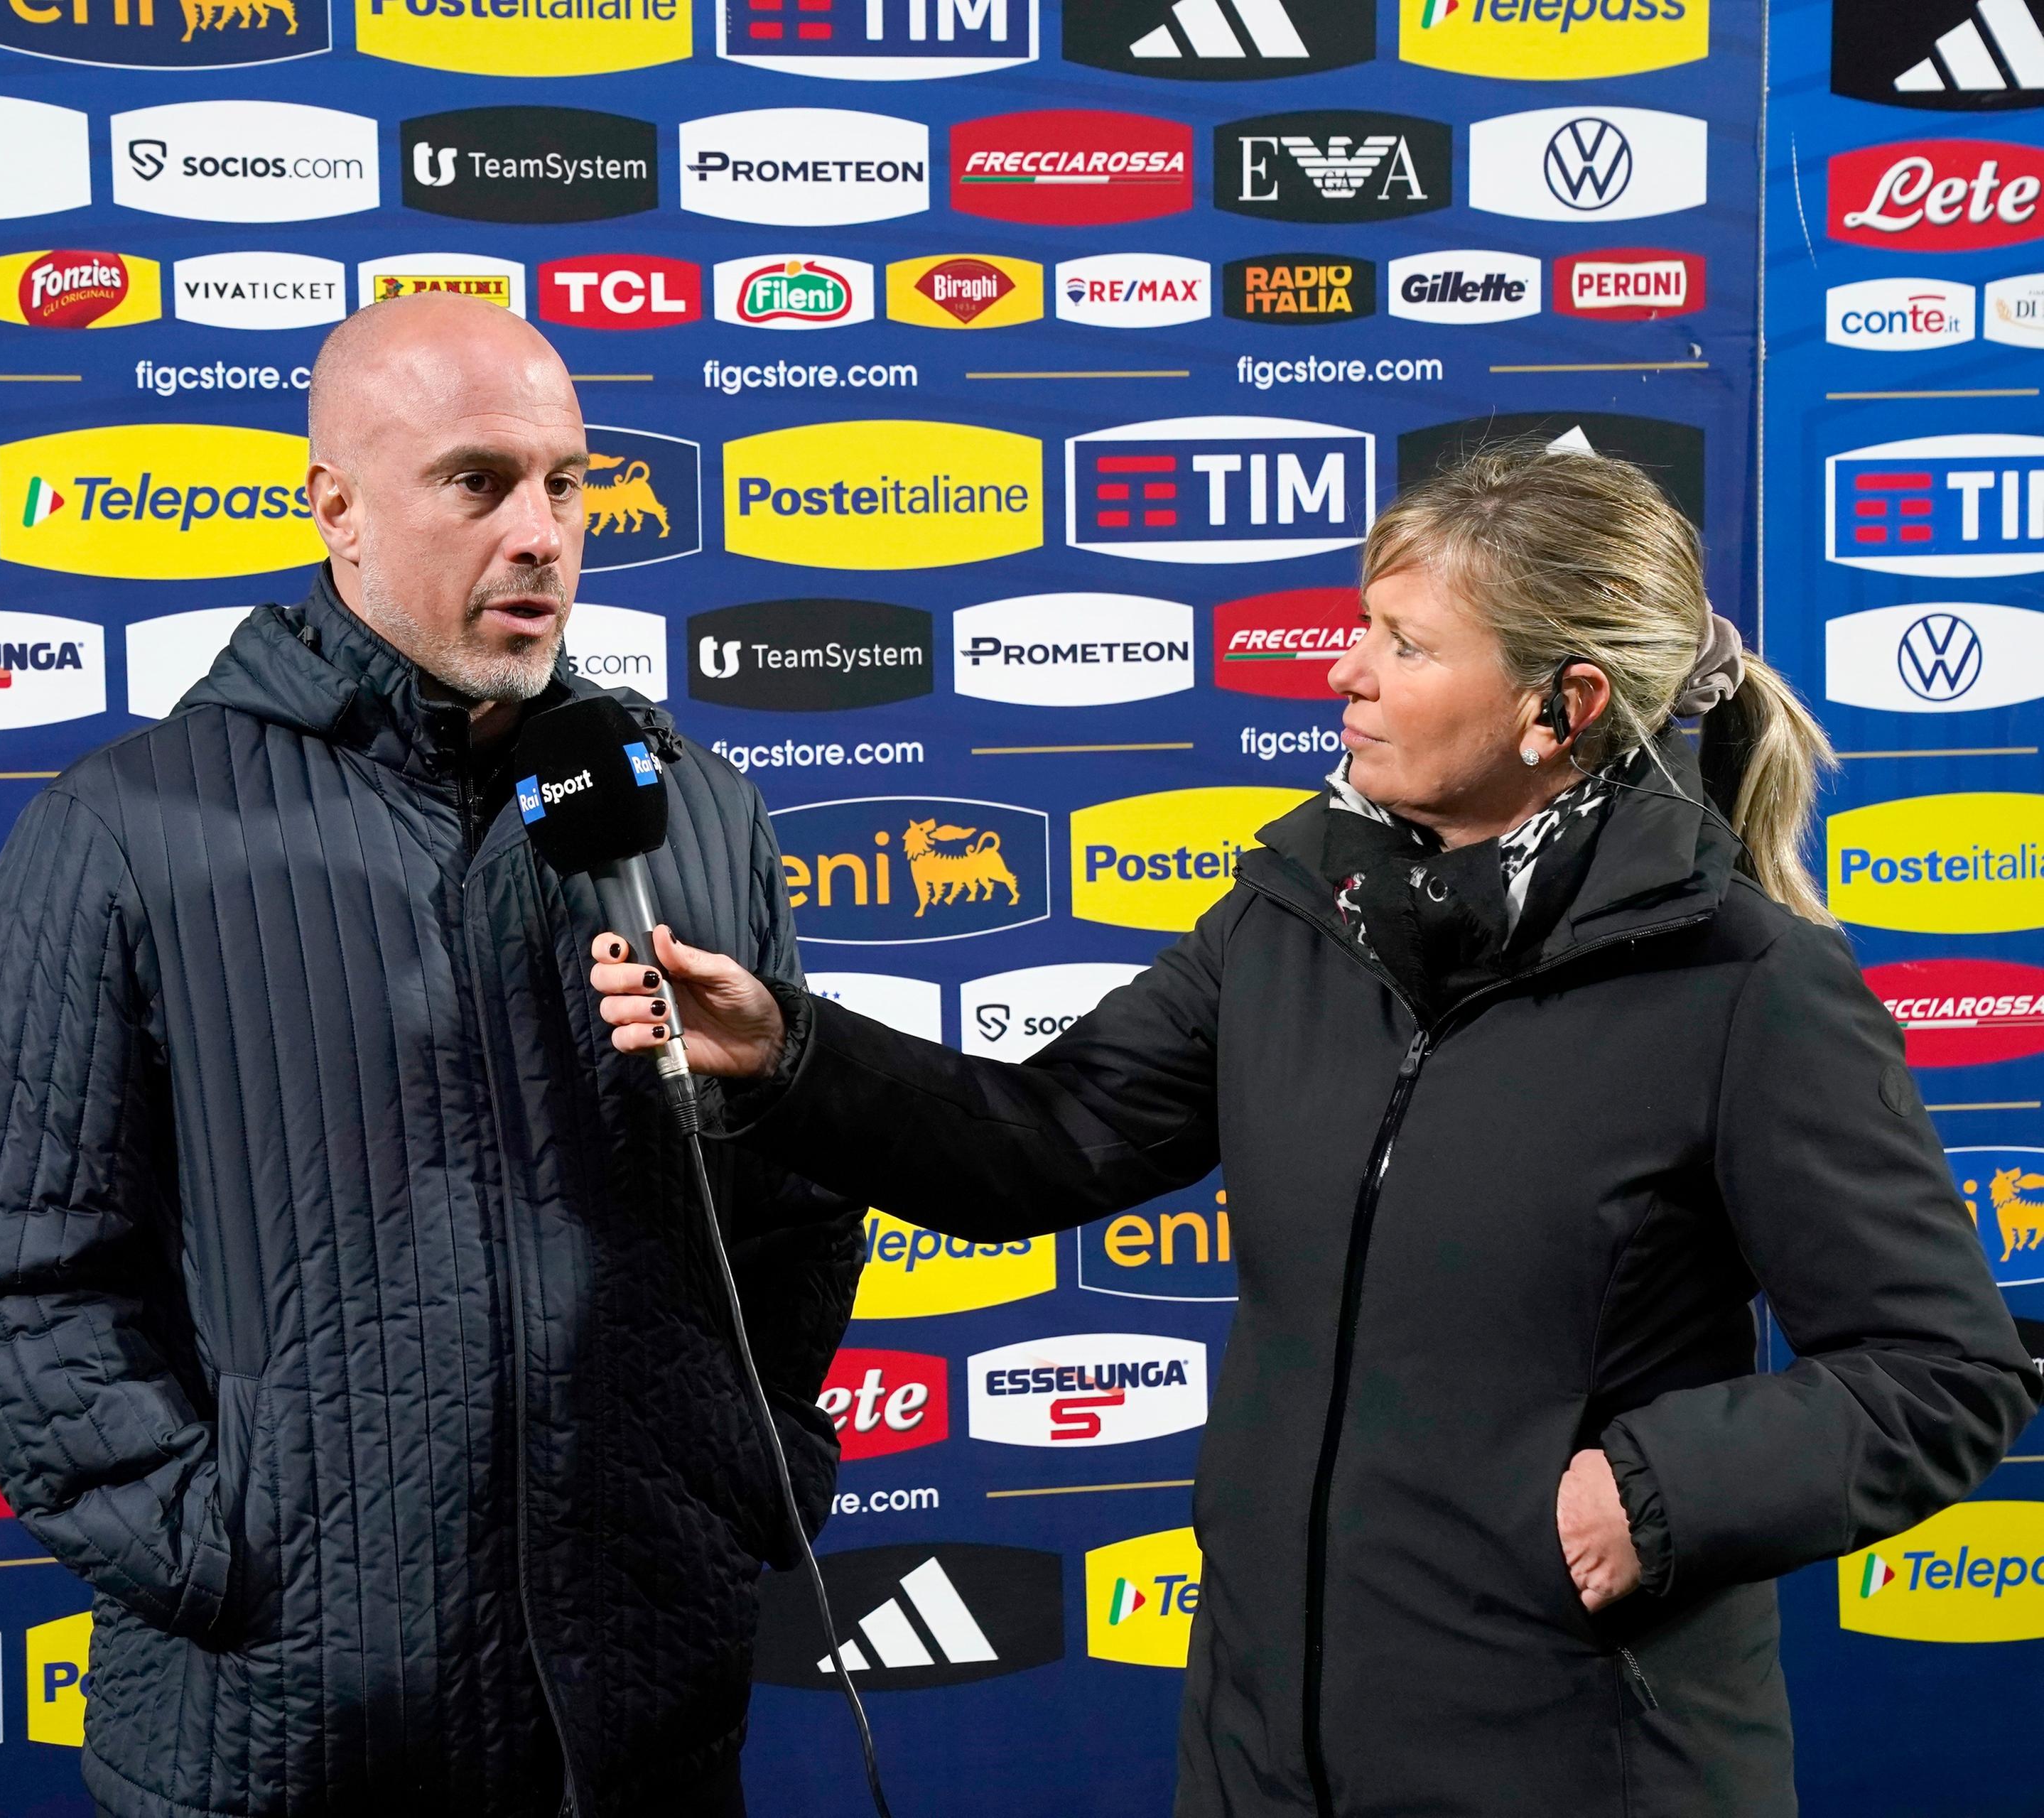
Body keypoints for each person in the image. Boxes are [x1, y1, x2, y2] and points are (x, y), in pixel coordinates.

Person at [588, 445, 2040, 1817]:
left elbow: (1940, 1369)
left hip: (1580, 1764)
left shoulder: (1747, 986)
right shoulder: (1293, 915)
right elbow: (1047, 1136)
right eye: (1362, 625)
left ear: (1563, 705)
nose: (1344, 669)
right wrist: (789, 1053)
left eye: (1406, 644)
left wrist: (1659, 1492)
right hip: (1260, 1759)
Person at [0, 293, 863, 1818]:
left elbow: (801, 1199)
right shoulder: (132, 828)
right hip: (282, 1733)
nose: (541, 531)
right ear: (335, 509)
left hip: (642, 1719)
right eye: (478, 482)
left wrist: (737, 1466)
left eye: (569, 480)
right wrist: (218, 1546)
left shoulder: (697, 811)